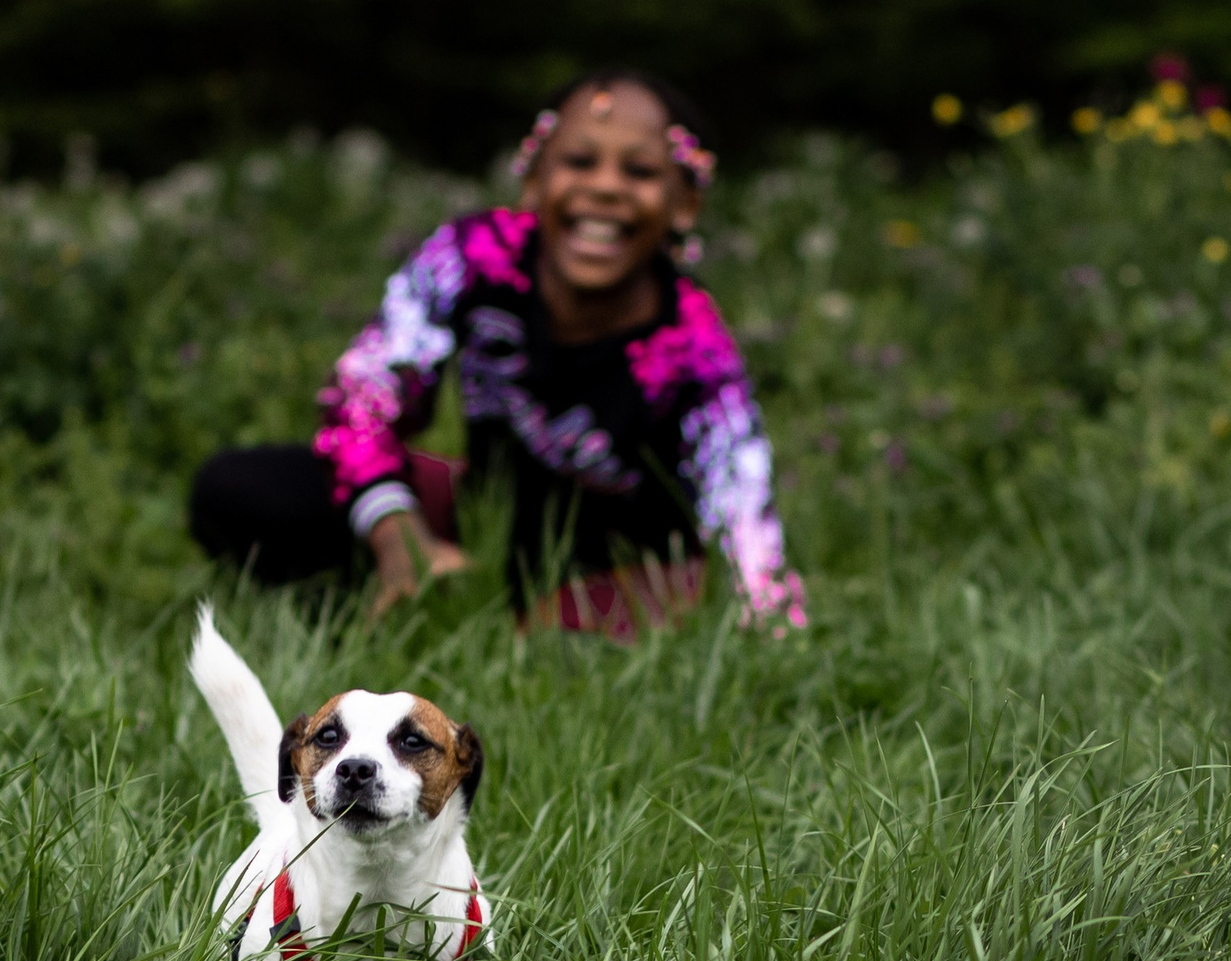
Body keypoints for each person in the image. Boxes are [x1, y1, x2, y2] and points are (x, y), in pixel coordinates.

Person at [189, 71, 805, 642]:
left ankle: (473, 622)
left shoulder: (693, 344)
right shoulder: (473, 256)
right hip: (483, 514)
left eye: (640, 171)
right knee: (242, 489)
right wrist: (395, 529)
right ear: (534, 179)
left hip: (613, 569)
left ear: (684, 203)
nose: (605, 187)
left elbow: (743, 508)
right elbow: (366, 389)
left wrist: (769, 616)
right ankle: (410, 583)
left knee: (568, 645)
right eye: (579, 161)